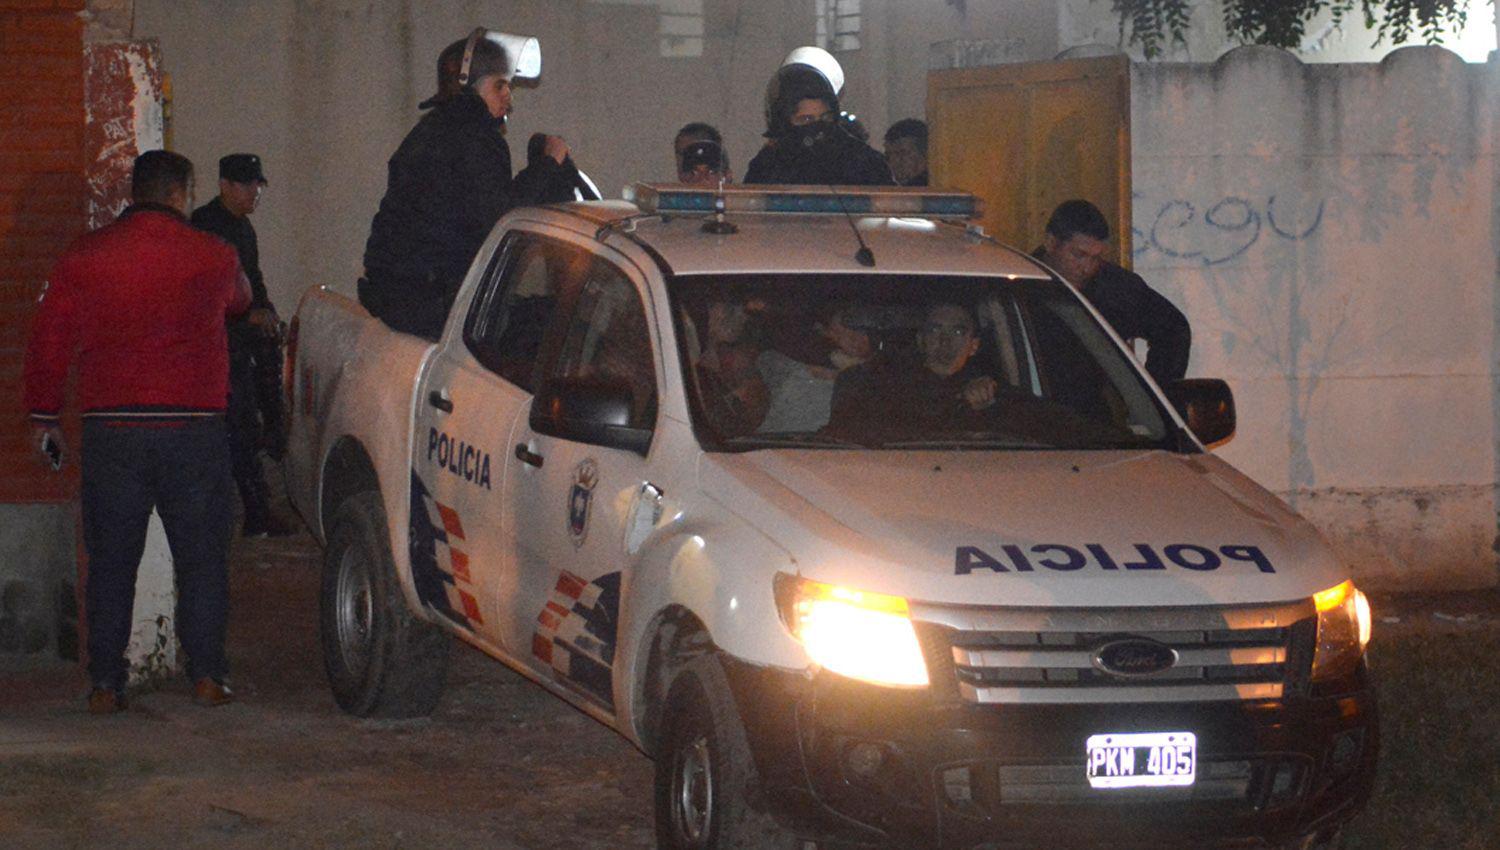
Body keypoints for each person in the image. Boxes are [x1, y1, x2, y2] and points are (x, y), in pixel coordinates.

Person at [23, 150, 251, 713]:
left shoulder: (86, 256)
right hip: (194, 430)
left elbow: (49, 338)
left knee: (111, 562)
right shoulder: (214, 254)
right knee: (201, 558)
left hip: (113, 429)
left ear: (134, 191)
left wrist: (43, 415)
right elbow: (241, 301)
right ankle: (206, 676)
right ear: (182, 192)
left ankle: (105, 683)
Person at [360, 29, 579, 340]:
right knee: (554, 331)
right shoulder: (475, 136)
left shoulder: (433, 131)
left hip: (401, 298)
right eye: (499, 85)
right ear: (469, 87)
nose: (508, 98)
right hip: (431, 304)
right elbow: (501, 216)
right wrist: (548, 164)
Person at [191, 153, 291, 538]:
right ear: (225, 186)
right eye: (248, 185)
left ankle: (256, 511)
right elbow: (204, 295)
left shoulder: (242, 229)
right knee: (239, 427)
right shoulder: (206, 226)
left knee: (255, 424)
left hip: (243, 344)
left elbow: (254, 280)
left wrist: (267, 314)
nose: (255, 192)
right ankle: (253, 511)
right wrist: (249, 317)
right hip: (221, 346)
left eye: (258, 184)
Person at [1035, 199, 1191, 386]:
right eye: (1078, 255)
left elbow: (1174, 328)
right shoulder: (1018, 285)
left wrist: (1153, 398)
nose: (1087, 268)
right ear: (1051, 243)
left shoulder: (1113, 287)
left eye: (1096, 258)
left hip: (1094, 411)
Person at [828, 302, 997, 435]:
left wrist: (982, 407)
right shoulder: (878, 386)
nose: (945, 339)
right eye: (935, 329)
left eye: (958, 332)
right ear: (920, 340)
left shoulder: (991, 390)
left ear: (974, 345)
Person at [743, 47, 893, 186]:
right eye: (806, 120)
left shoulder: (864, 162)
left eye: (825, 118)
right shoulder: (768, 165)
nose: (818, 128)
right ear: (784, 122)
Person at [755, 303, 872, 433]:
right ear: (827, 334)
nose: (857, 340)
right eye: (844, 334)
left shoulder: (883, 377)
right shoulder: (789, 369)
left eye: (863, 332)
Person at [883, 118, 929, 186]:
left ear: (925, 155)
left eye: (902, 153)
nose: (893, 162)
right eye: (888, 155)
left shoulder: (936, 188)